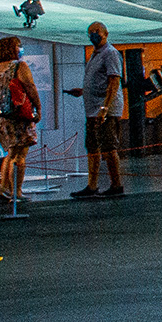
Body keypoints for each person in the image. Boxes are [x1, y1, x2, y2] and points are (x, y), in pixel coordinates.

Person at [67, 20, 126, 198]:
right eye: (90, 31)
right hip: (92, 110)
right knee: (92, 148)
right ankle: (92, 186)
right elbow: (100, 81)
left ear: (105, 33)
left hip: (105, 110)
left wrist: (105, 107)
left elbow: (114, 81)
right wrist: (84, 91)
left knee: (109, 147)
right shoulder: (96, 54)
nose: (93, 34)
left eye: (97, 31)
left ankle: (116, 185)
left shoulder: (110, 53)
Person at [0, 35, 39, 203]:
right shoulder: (19, 66)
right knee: (20, 154)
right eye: (18, 46)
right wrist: (37, 107)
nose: (20, 49)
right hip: (17, 116)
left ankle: (4, 188)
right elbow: (29, 86)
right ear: (12, 49)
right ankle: (17, 191)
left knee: (10, 152)